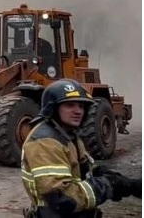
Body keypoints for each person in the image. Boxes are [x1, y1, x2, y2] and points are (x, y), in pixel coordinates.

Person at [20, 79, 141, 217]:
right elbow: (62, 198)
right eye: (70, 105)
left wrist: (122, 182)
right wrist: (108, 185)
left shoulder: (69, 135)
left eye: (81, 106)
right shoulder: (44, 142)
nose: (78, 111)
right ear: (52, 108)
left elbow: (79, 173)